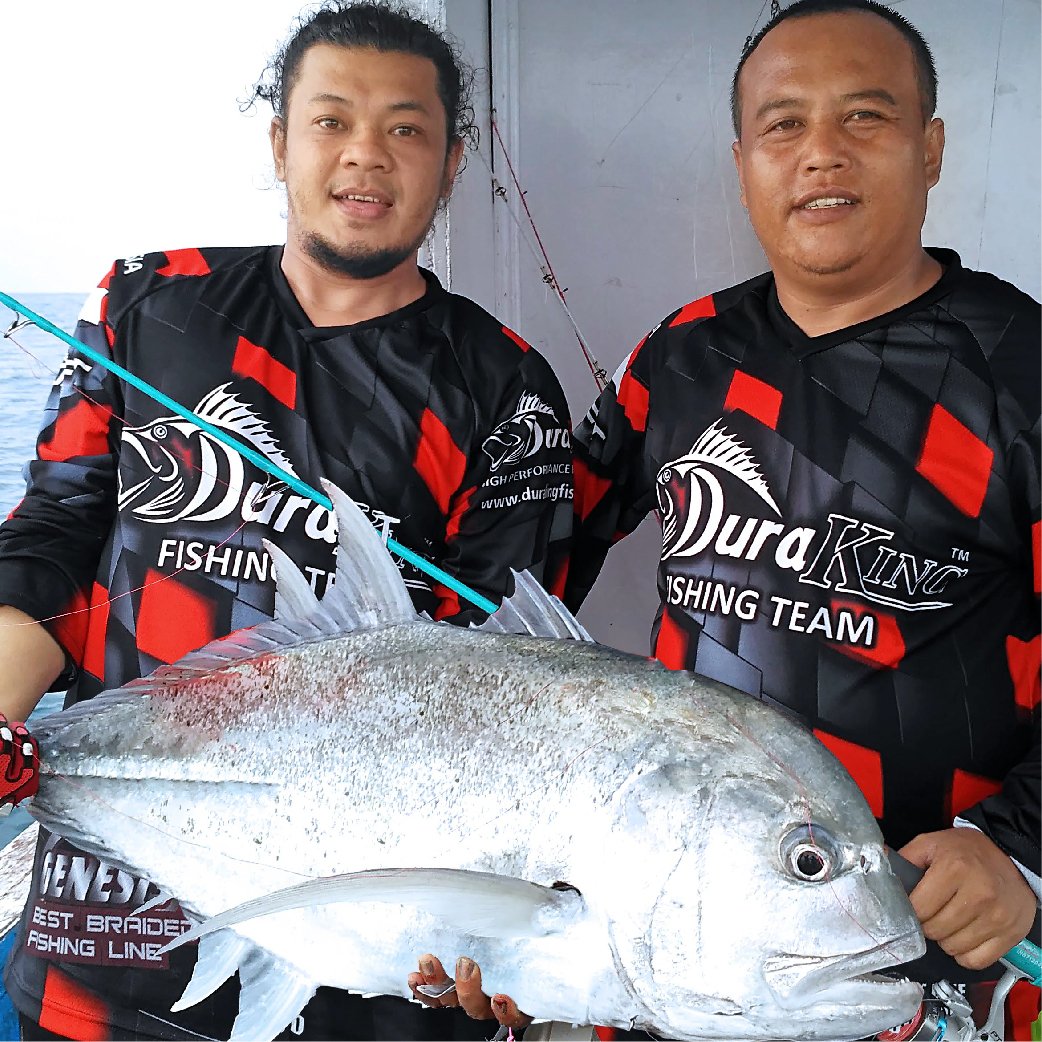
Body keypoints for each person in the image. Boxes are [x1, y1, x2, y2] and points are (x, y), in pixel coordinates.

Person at [408, 0, 1040, 1036]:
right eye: (783, 125)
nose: (820, 153)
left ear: (930, 148)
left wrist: (1018, 848)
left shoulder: (1020, 369)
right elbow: (530, 568)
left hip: (911, 957)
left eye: (866, 118)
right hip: (664, 942)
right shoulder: (684, 354)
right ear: (743, 158)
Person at [0, 2, 573, 1039]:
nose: (366, 155)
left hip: (362, 929)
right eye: (332, 120)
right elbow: (51, 542)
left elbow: (503, 687)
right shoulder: (153, 301)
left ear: (450, 164)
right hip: (111, 927)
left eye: (407, 128)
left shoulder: (502, 385)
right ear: (279, 141)